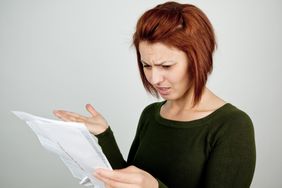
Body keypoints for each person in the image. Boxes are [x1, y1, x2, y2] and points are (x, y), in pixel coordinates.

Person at [54, 2, 256, 188]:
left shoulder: (232, 125)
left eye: (166, 66)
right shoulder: (151, 114)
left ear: (198, 59)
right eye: (146, 66)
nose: (154, 78)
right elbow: (129, 180)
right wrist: (104, 135)